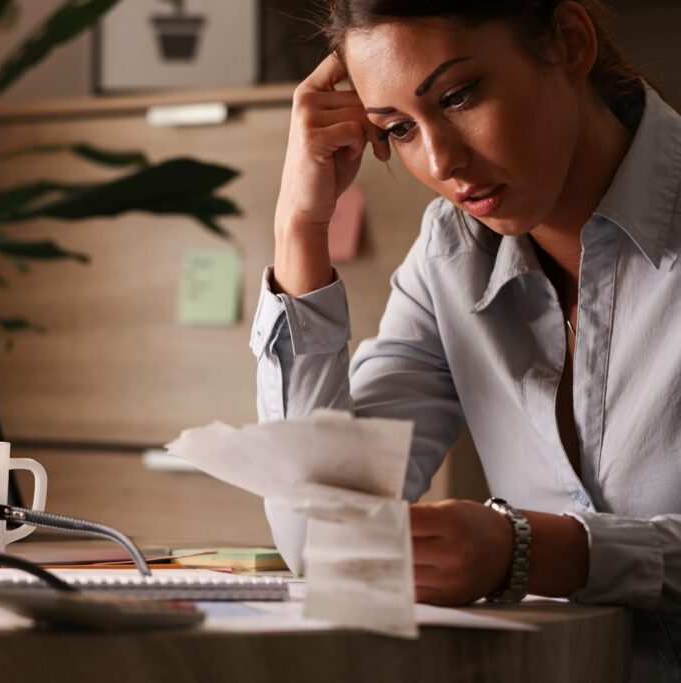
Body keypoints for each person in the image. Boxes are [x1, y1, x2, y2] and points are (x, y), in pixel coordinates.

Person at [252, 0, 680, 678]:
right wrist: (299, 230)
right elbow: (324, 537)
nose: (442, 161)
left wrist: (538, 549)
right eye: (398, 129)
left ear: (569, 44)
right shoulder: (449, 257)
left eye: (458, 95)